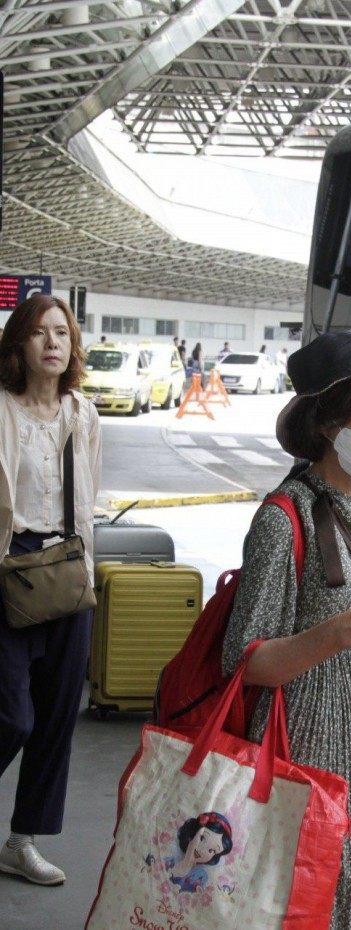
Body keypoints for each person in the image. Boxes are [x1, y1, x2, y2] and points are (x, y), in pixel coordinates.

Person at [222, 331, 351, 929]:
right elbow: (247, 661)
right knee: (312, 895)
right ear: (328, 420)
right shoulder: (280, 517)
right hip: (308, 740)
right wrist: (345, 630)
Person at [0, 293, 102, 886]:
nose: (52, 343)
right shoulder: (2, 410)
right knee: (11, 714)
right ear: (19, 343)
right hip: (8, 564)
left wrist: (88, 572)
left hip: (66, 566)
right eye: (39, 333)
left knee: (58, 715)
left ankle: (23, 840)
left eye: (62, 332)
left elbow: (87, 500)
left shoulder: (82, 414)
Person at [164, 812, 233, 893]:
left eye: (212, 851)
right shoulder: (169, 862)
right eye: (202, 838)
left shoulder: (200, 877)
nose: (202, 850)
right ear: (192, 834)